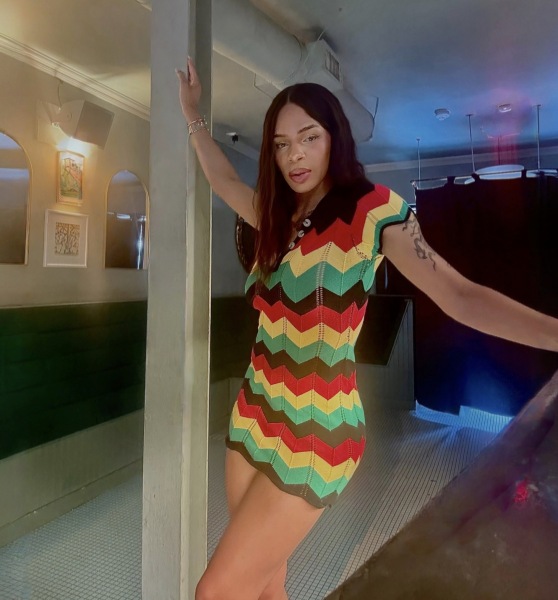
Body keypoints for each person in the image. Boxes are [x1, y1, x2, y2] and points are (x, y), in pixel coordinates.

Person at [176, 57, 558, 600]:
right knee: (265, 581)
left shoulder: (374, 211)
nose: (295, 155)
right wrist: (192, 114)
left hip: (317, 430)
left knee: (215, 591)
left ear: (334, 138)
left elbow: (461, 296)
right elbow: (222, 177)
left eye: (309, 137)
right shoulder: (273, 215)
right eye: (282, 144)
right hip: (253, 415)